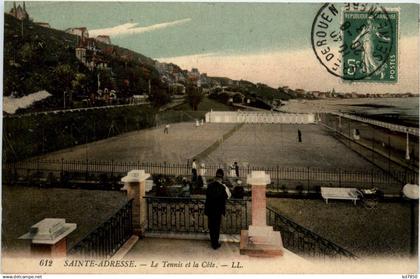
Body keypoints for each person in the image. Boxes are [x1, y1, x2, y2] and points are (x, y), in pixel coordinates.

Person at [205, 169, 231, 249]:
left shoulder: (209, 186)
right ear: (221, 178)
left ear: (215, 177)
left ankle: (213, 242)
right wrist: (225, 187)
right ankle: (215, 244)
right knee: (216, 227)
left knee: (211, 226)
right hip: (218, 210)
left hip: (210, 210)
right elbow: (228, 196)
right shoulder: (222, 187)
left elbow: (207, 198)